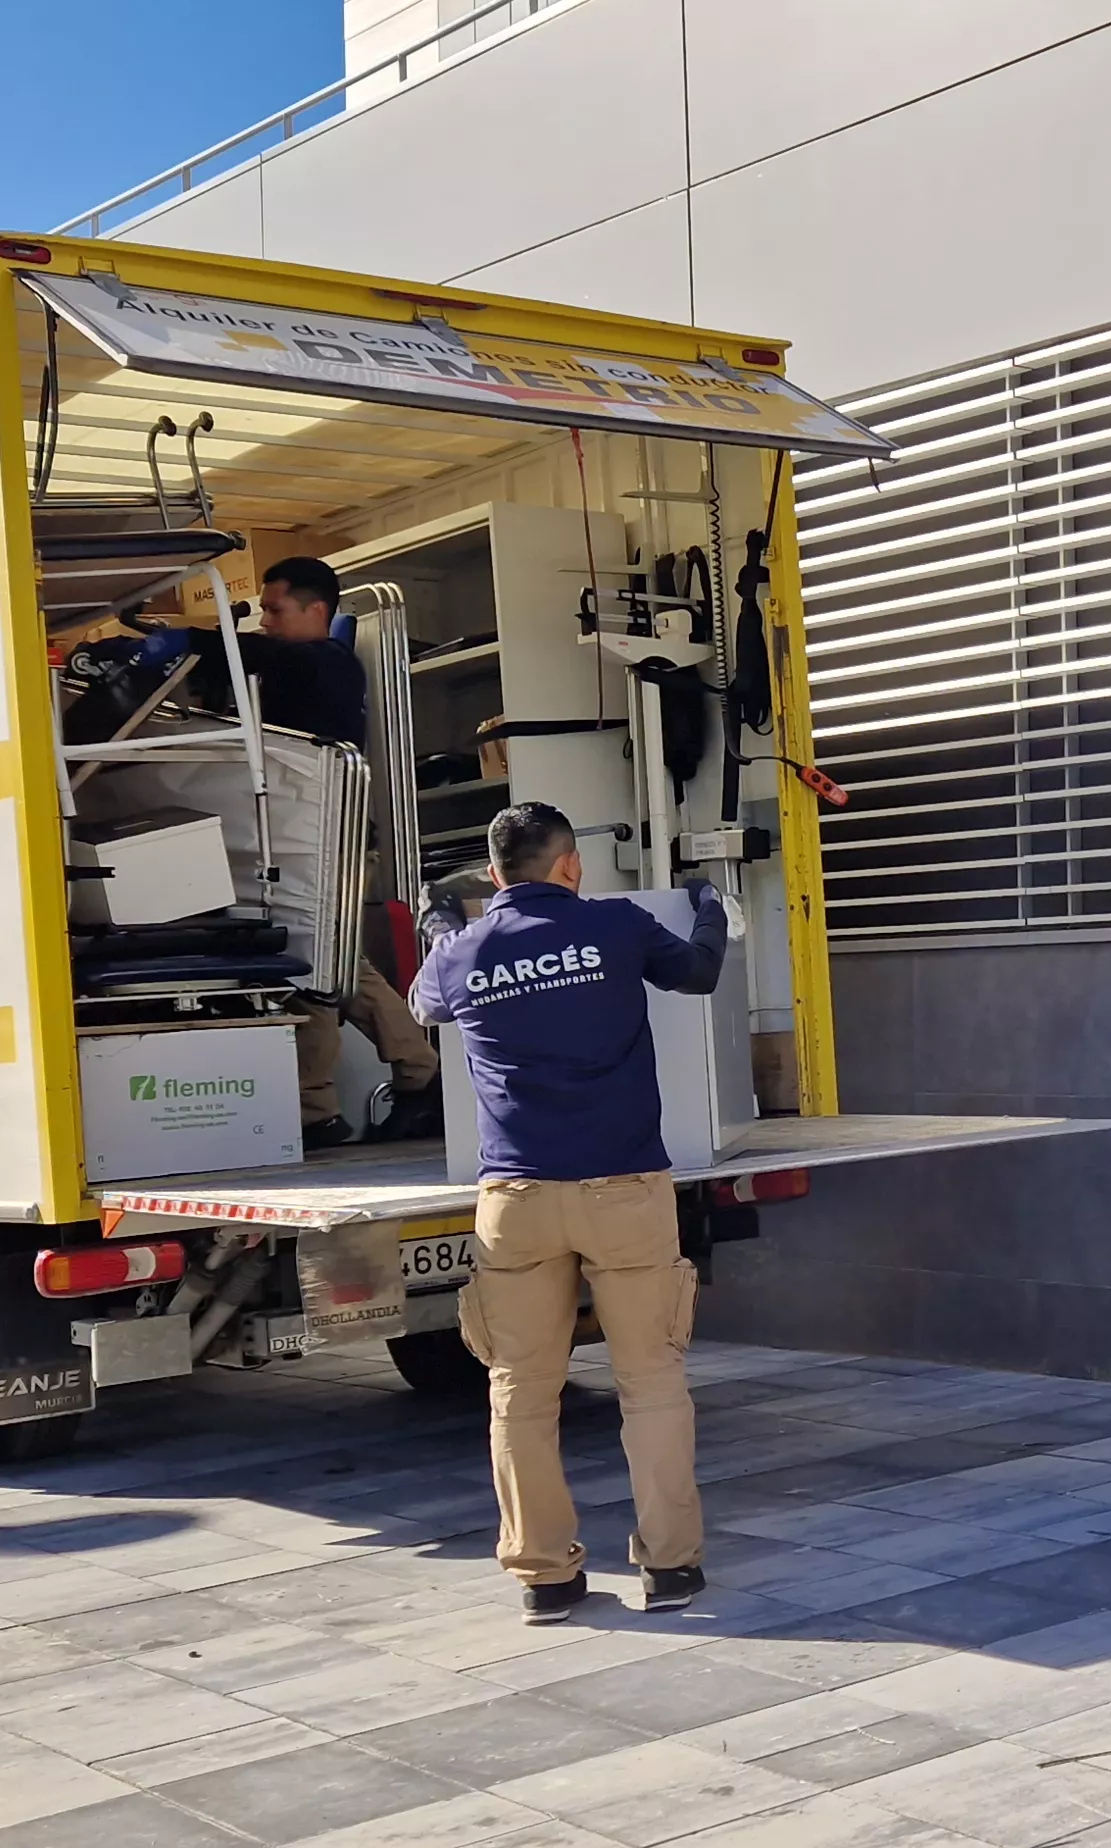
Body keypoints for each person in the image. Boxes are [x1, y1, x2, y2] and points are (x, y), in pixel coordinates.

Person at [405, 802, 731, 1622]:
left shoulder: (465, 952)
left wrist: (442, 928)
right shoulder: (617, 927)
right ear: (570, 865)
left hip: (516, 1201)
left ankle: (545, 1576)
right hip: (624, 1191)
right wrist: (711, 907)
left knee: (520, 1389)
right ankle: (672, 1568)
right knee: (651, 1381)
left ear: (493, 873)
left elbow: (423, 1006)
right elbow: (698, 972)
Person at [146, 554, 444, 1147]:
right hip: (306, 842)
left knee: (313, 965)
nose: (266, 621)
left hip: (327, 844)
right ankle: (415, 1082)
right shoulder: (296, 670)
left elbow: (273, 656)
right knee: (335, 966)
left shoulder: (327, 663)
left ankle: (327, 1108)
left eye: (275, 610)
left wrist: (189, 638)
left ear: (317, 610)